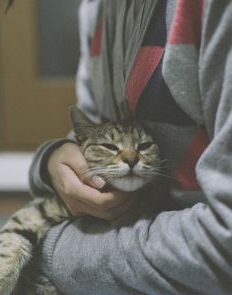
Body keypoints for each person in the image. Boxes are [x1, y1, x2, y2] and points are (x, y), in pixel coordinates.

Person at [29, 0, 232, 294]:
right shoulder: (94, 8)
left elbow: (224, 246)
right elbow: (89, 129)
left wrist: (52, 249)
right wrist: (50, 162)